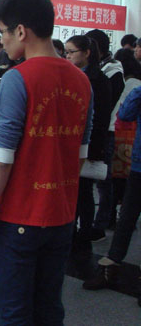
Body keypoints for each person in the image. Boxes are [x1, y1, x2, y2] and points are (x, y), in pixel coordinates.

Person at [0, 0, 93, 325]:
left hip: (19, 216)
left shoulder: (18, 78)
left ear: (21, 31)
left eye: (2, 32)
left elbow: (2, 158)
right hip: (62, 214)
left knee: (14, 313)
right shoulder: (82, 80)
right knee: (49, 309)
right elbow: (81, 153)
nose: (2, 40)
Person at [82, 83, 141, 308]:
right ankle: (111, 265)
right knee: (126, 217)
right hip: (138, 165)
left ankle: (112, 266)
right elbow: (125, 114)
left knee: (127, 217)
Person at [65, 36, 112, 249]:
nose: (67, 56)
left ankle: (84, 233)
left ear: (86, 53)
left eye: (72, 52)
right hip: (70, 140)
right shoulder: (70, 75)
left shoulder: (99, 80)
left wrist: (95, 148)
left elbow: (100, 118)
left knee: (84, 192)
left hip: (88, 142)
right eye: (66, 52)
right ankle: (71, 230)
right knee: (72, 190)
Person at [86, 29, 125, 239]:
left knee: (103, 178)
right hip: (97, 128)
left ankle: (102, 222)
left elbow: (106, 106)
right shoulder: (100, 69)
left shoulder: (112, 71)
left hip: (106, 130)